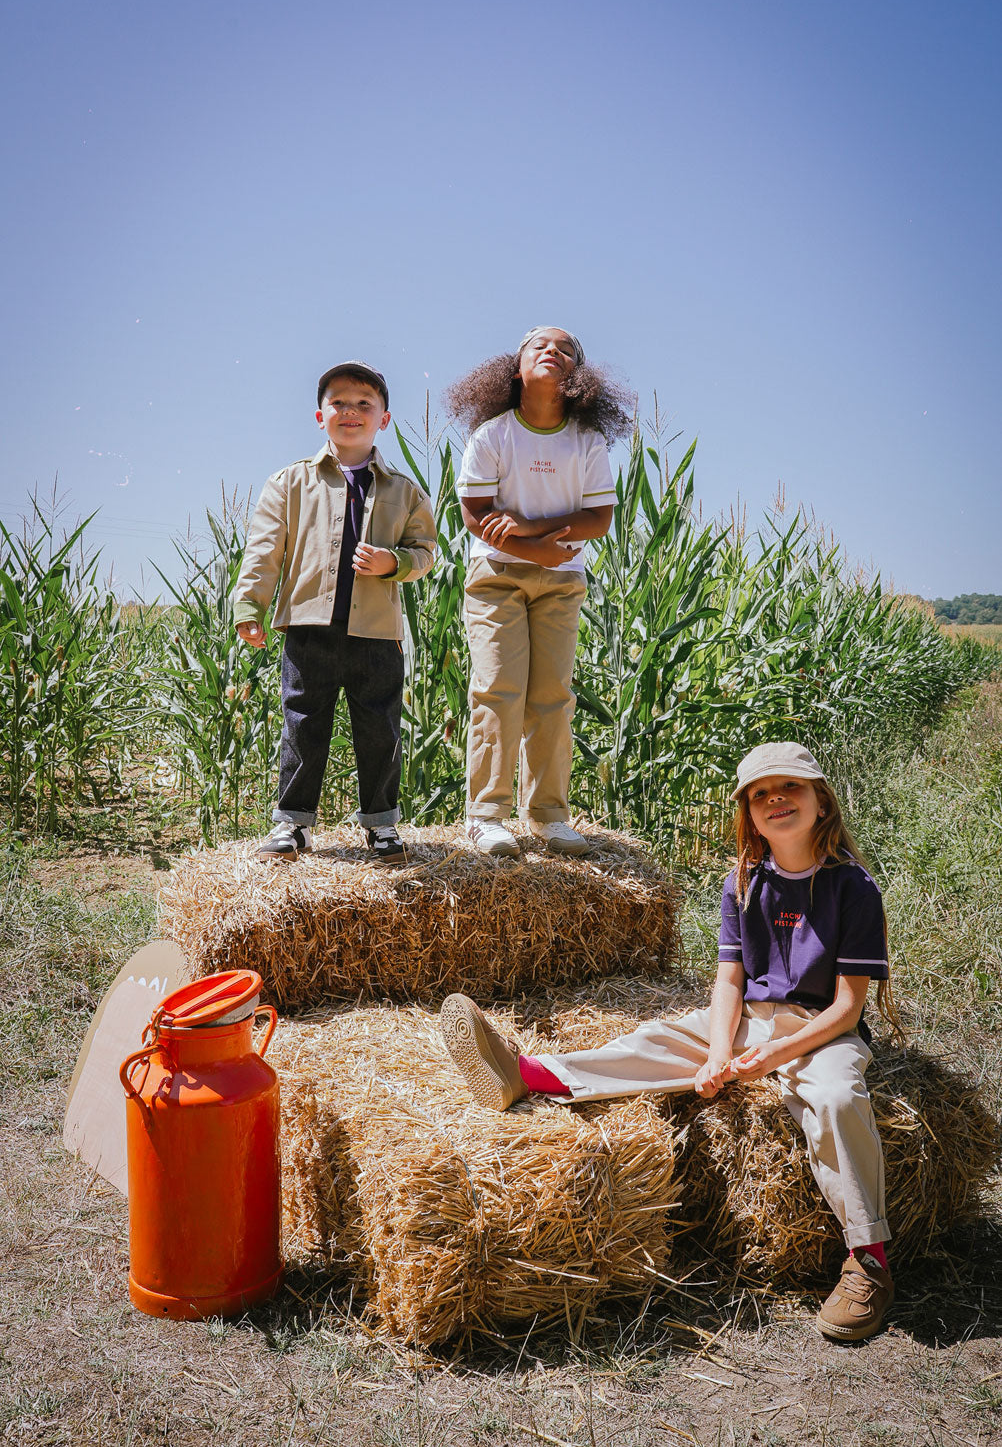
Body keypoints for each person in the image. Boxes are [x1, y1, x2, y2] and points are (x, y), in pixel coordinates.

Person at [440, 741, 902, 1342]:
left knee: (838, 1101)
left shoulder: (853, 887)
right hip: (752, 1019)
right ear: (748, 814)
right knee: (657, 1039)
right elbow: (729, 982)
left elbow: (847, 1008)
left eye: (789, 787)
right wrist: (717, 1053)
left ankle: (870, 1261)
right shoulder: (742, 884)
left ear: (821, 800)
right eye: (760, 795)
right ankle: (529, 1074)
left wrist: (775, 1056)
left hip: (821, 1032)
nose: (775, 801)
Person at [234, 361, 436, 864]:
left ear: (384, 419)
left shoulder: (404, 490)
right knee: (303, 723)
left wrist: (395, 562)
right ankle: (293, 825)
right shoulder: (290, 482)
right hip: (309, 628)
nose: (351, 412)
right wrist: (249, 605)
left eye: (364, 404)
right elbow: (264, 550)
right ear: (319, 415)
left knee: (380, 729)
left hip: (377, 632)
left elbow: (427, 552)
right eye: (339, 403)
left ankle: (381, 826)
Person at [448, 326, 633, 858]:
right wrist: (538, 550)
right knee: (499, 691)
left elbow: (598, 518)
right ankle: (486, 816)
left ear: (579, 377)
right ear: (515, 368)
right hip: (496, 580)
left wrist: (528, 532)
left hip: (561, 581)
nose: (554, 352)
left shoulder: (587, 441)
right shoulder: (491, 435)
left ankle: (550, 816)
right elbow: (475, 515)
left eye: (567, 349)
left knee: (553, 697)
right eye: (540, 346)